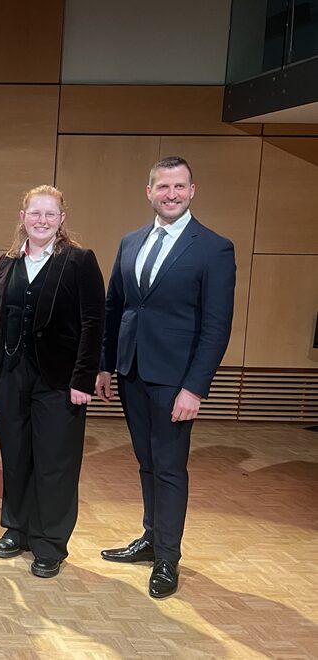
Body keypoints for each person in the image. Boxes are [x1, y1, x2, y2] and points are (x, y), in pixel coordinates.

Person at [96, 156, 235, 599]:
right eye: (163, 187)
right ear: (149, 192)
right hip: (133, 370)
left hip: (176, 381)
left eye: (179, 187)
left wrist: (195, 387)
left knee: (170, 468)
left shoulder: (214, 248)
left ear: (192, 191)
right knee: (146, 462)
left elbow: (217, 327)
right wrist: (104, 363)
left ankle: (168, 557)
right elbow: (114, 307)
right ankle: (151, 538)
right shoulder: (131, 241)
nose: (171, 194)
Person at [0, 185, 105, 579]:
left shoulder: (79, 260)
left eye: (49, 214)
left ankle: (49, 542)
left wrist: (83, 379)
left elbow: (93, 323)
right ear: (22, 217)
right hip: (10, 376)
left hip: (59, 380)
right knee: (17, 457)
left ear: (61, 219)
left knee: (55, 464)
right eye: (35, 213)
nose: (41, 220)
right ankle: (17, 529)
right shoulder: (6, 262)